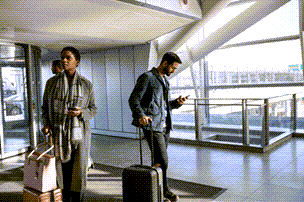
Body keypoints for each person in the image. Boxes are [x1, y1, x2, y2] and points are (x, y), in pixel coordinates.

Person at [128, 52, 187, 202]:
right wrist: (141, 115)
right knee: (163, 160)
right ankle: (165, 191)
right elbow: (133, 99)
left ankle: (154, 190)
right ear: (165, 63)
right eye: (173, 67)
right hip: (152, 127)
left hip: (165, 126)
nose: (173, 71)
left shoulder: (165, 81)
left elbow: (164, 106)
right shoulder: (147, 77)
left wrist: (176, 103)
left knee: (158, 161)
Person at [42, 46, 97, 201]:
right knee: (61, 169)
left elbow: (93, 108)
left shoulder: (86, 84)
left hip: (79, 133)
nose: (64, 60)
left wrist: (81, 113)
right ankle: (64, 197)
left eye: (68, 58)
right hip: (58, 132)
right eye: (62, 57)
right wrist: (46, 124)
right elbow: (45, 107)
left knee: (78, 169)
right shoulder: (51, 83)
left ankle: (77, 198)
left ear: (77, 62)